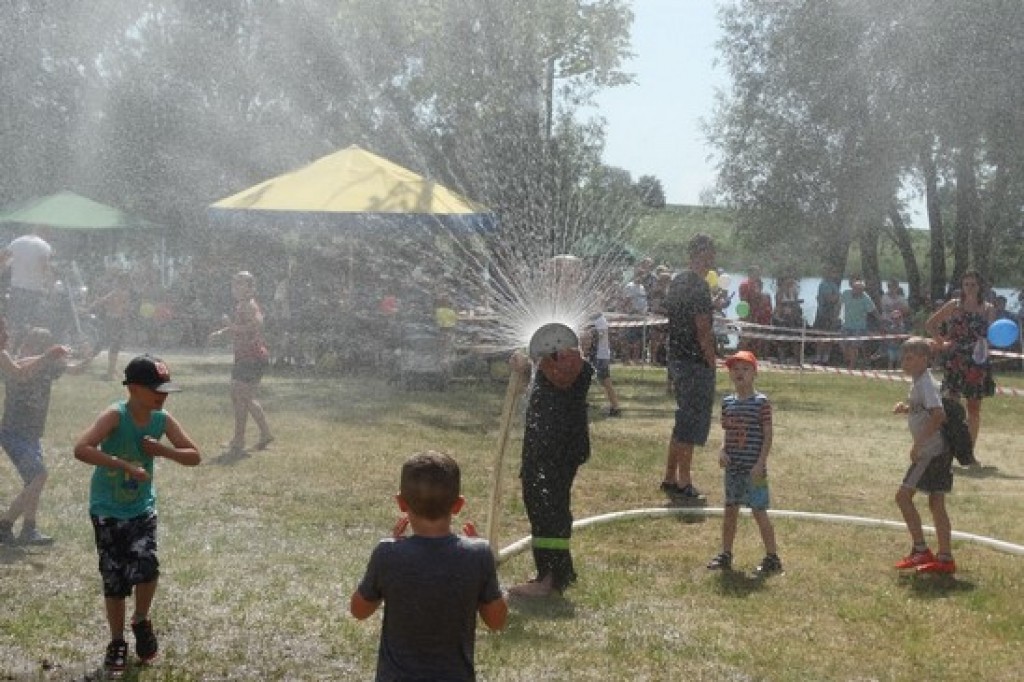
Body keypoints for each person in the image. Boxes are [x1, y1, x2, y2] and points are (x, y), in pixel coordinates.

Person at [72, 355, 201, 676]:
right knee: (114, 578)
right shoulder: (115, 415)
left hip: (142, 508)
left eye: (165, 389)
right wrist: (124, 465)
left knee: (147, 566)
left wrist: (163, 451)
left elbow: (194, 456)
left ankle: (141, 620)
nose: (162, 395)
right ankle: (117, 641)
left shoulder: (162, 420)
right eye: (156, 389)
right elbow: (82, 448)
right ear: (132, 388)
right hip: (107, 510)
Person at [350, 451, 507, 681]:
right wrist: (485, 567)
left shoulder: (388, 554)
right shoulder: (478, 554)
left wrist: (387, 558)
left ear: (401, 503)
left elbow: (359, 610)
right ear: (458, 505)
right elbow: (497, 621)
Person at [506, 327, 593, 597]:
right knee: (542, 505)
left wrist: (537, 362)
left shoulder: (575, 366)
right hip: (544, 447)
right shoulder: (552, 361)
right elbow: (526, 387)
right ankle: (558, 572)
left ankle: (551, 578)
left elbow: (562, 378)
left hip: (557, 449)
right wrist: (522, 369)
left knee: (549, 508)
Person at [706, 350, 782, 576]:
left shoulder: (761, 403)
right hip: (733, 469)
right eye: (735, 369)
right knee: (730, 510)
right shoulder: (727, 403)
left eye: (745, 369)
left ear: (755, 373)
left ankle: (772, 558)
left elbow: (768, 435)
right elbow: (727, 432)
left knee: (759, 512)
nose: (740, 373)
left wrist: (760, 463)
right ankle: (725, 554)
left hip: (754, 470)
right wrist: (722, 450)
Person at [0, 324, 74, 545]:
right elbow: (21, 372)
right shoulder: (9, 358)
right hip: (14, 432)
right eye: (3, 330)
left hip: (31, 434)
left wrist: (90, 354)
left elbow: (73, 368)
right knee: (39, 476)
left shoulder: (45, 365)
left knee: (33, 481)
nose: (8, 334)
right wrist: (47, 356)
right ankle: (5, 525)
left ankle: (28, 529)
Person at [891, 337, 955, 574]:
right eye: (903, 358)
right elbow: (927, 408)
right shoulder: (920, 382)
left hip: (930, 452)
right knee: (936, 502)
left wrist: (918, 445)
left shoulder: (925, 383)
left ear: (924, 360)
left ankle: (921, 550)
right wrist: (907, 409)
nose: (904, 363)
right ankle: (944, 558)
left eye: (909, 358)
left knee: (903, 497)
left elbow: (938, 414)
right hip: (937, 450)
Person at [661, 233, 717, 501]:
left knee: (682, 419)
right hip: (694, 362)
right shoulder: (699, 286)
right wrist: (711, 360)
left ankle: (670, 476)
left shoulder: (677, 281)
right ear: (702, 254)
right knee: (691, 422)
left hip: (677, 358)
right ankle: (684, 480)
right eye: (711, 252)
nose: (714, 257)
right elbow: (702, 328)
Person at [925, 269, 996, 453]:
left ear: (980, 287)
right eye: (966, 284)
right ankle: (947, 448)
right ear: (962, 286)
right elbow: (930, 324)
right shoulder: (954, 305)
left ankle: (968, 452)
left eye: (973, 284)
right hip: (955, 360)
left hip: (977, 363)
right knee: (951, 406)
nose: (970, 288)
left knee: (974, 408)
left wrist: (986, 346)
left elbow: (992, 336)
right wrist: (941, 342)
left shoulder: (988, 309)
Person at [208, 271, 273, 455]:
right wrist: (223, 332)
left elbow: (257, 324)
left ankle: (247, 438)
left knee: (242, 396)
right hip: (246, 357)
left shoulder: (249, 305)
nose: (235, 287)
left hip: (252, 357)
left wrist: (231, 326)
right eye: (234, 284)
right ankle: (250, 437)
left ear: (251, 288)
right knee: (241, 397)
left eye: (240, 284)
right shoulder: (241, 305)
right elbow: (240, 328)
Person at [0, 228, 54, 341]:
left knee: (14, 320)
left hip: (16, 288)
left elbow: (3, 258)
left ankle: (10, 343)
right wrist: (50, 286)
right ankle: (28, 343)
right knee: (31, 321)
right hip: (34, 290)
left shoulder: (17, 242)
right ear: (46, 233)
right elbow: (45, 267)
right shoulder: (43, 246)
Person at [87, 269, 134, 381]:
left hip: (112, 320)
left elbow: (102, 301)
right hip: (116, 321)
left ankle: (109, 369)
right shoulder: (121, 292)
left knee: (106, 343)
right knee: (113, 345)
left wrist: (90, 307)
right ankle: (109, 371)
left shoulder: (117, 292)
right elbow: (124, 309)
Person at [585, 311, 622, 417]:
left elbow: (598, 337)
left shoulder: (599, 321)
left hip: (600, 356)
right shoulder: (598, 320)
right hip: (599, 355)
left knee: (606, 382)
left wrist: (588, 345)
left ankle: (615, 408)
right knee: (588, 379)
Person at [840, 278, 878, 370]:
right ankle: (849, 360)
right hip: (847, 325)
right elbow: (839, 304)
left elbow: (873, 310)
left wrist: (880, 320)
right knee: (843, 344)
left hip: (859, 327)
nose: (858, 291)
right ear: (852, 288)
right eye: (856, 288)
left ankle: (851, 366)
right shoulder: (845, 293)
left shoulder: (866, 298)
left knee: (854, 347)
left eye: (860, 289)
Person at [811, 265, 842, 364]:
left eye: (834, 273)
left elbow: (838, 301)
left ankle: (826, 357)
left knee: (830, 336)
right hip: (823, 314)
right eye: (831, 272)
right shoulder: (824, 284)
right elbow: (830, 299)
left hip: (832, 315)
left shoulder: (834, 285)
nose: (833, 275)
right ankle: (818, 357)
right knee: (821, 336)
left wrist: (837, 298)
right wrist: (837, 296)